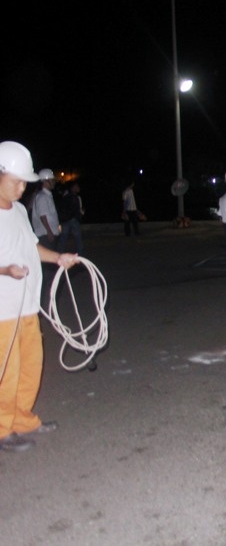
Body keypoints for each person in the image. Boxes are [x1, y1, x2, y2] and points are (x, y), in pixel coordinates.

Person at [0, 141, 80, 453]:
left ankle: (23, 420)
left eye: (25, 183)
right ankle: (2, 429)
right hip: (3, 311)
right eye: (16, 182)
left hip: (27, 306)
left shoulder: (20, 210)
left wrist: (58, 257)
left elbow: (32, 247)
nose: (22, 189)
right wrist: (6, 270)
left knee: (31, 366)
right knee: (7, 371)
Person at [30, 168, 59, 250]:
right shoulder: (42, 197)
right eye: (52, 180)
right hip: (45, 234)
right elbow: (43, 216)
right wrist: (49, 232)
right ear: (45, 181)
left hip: (49, 233)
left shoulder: (46, 195)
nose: (54, 182)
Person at [57, 181, 84, 254]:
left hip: (65, 220)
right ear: (73, 187)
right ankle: (80, 254)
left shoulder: (65, 195)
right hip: (72, 219)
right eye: (77, 186)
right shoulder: (74, 197)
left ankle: (60, 253)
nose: (78, 188)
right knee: (78, 238)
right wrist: (79, 215)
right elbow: (76, 209)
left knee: (63, 238)